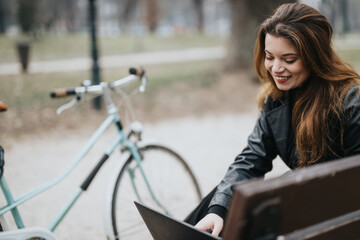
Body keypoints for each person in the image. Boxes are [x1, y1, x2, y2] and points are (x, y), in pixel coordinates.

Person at [184, 2, 360, 236]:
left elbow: (352, 181)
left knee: (261, 204)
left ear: (315, 57)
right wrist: (218, 210)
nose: (275, 68)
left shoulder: (350, 100)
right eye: (269, 57)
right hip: (307, 208)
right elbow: (252, 159)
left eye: (289, 59)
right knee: (226, 201)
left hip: (333, 218)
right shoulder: (276, 99)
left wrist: (291, 183)